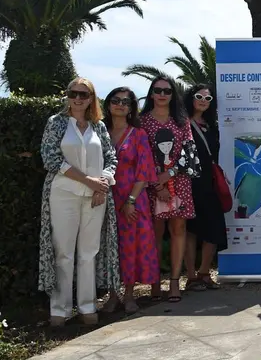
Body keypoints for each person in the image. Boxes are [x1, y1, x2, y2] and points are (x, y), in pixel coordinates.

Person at [38, 78, 121, 326]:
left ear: (91, 98)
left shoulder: (99, 127)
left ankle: (87, 307)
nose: (78, 98)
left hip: (96, 197)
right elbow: (51, 159)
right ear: (67, 95)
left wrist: (103, 183)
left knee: (89, 252)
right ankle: (59, 310)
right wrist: (90, 181)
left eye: (83, 94)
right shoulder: (57, 123)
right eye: (73, 93)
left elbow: (110, 157)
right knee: (63, 251)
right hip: (64, 194)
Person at [140, 76, 201, 303]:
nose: (162, 95)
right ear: (151, 93)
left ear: (173, 95)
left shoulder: (181, 121)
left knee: (178, 230)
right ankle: (155, 282)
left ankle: (174, 282)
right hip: (151, 184)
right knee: (155, 232)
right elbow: (141, 154)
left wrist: (170, 174)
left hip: (180, 183)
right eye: (158, 90)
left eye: (167, 91)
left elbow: (190, 153)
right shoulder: (142, 121)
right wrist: (157, 181)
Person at [102, 87, 157, 314]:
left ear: (132, 108)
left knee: (130, 247)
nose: (120, 105)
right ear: (108, 104)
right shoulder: (98, 132)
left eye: (126, 102)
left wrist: (131, 200)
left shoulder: (138, 135)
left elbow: (144, 171)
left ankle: (129, 294)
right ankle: (112, 295)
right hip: (103, 198)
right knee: (108, 246)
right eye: (116, 100)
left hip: (132, 199)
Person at [184, 84, 227, 291]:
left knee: (214, 227)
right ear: (190, 98)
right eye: (199, 96)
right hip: (188, 182)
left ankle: (204, 272)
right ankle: (191, 276)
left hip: (210, 183)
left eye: (207, 98)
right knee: (190, 230)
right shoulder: (181, 124)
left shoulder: (212, 125)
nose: (203, 100)